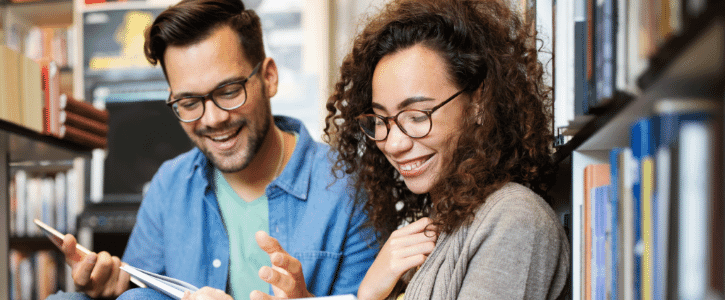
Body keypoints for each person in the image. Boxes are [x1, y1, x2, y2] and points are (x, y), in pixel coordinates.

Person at [48, 0, 377, 299]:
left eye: (230, 90)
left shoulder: (348, 186)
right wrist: (111, 288)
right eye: (189, 102)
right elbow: (141, 291)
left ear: (269, 77)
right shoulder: (169, 185)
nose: (214, 118)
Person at [324, 0, 570, 299]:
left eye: (417, 116)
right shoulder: (439, 225)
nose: (393, 143)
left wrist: (368, 296)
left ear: (479, 103)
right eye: (379, 120)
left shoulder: (513, 219)